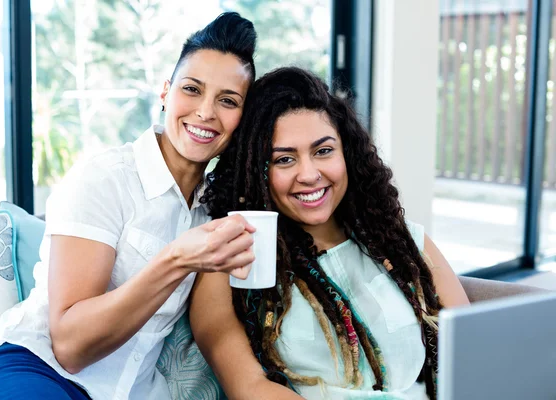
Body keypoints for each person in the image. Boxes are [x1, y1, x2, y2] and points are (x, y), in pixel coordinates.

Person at [0, 12, 260, 400]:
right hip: (34, 369)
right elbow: (69, 347)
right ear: (165, 93)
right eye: (191, 89)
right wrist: (177, 260)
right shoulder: (105, 178)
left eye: (228, 101)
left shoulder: (216, 208)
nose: (205, 111)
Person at [192, 67, 470, 400]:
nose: (309, 175)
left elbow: (473, 352)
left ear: (347, 154)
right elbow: (249, 388)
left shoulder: (406, 242)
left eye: (323, 151)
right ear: (256, 173)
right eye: (284, 159)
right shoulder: (230, 265)